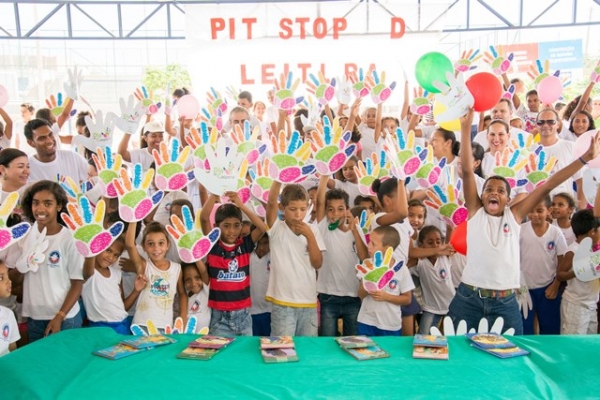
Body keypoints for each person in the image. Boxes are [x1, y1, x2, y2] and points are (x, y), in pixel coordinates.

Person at [449, 108, 599, 335]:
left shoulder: (515, 215)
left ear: (509, 199)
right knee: (460, 354)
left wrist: (583, 159)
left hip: (505, 302)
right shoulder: (476, 213)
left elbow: (548, 184)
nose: (494, 192)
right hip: (469, 298)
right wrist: (465, 126)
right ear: (481, 196)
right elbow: (468, 172)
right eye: (489, 189)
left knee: (512, 358)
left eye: (501, 190)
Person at [16, 181, 84, 342]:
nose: (40, 209)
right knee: (41, 365)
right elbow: (16, 278)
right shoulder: (26, 235)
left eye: (48, 204)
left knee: (67, 364)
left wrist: (60, 317)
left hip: (65, 318)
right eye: (35, 203)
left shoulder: (69, 238)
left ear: (59, 206)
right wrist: (24, 263)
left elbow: (77, 282)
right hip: (35, 317)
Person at [199, 191, 268, 336]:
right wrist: (213, 192)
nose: (232, 231)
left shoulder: (244, 245)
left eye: (237, 225)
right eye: (226, 226)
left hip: (244, 316)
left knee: (243, 358)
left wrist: (241, 205)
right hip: (219, 318)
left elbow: (262, 228)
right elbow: (204, 218)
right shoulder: (213, 245)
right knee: (221, 357)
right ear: (216, 226)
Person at [265, 182, 326, 336]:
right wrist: (279, 177)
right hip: (283, 303)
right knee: (282, 351)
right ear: (282, 208)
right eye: (292, 209)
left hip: (309, 303)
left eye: (303, 209)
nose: (298, 214)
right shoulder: (276, 228)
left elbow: (317, 263)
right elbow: (271, 202)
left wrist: (309, 236)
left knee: (307, 351)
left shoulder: (312, 229)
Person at [316, 175, 368, 336]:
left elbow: (364, 257)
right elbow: (319, 201)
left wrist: (354, 230)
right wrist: (325, 173)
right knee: (327, 342)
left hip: (352, 296)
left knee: (352, 340)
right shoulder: (323, 226)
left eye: (340, 209)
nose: (335, 214)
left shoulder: (355, 229)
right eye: (330, 209)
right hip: (328, 296)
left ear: (347, 210)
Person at [125, 221, 187, 330]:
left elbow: (182, 294)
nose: (156, 248)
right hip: (142, 325)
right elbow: (130, 244)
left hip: (165, 327)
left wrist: (182, 318)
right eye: (150, 244)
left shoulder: (177, 269)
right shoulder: (144, 266)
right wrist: (134, 218)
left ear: (168, 245)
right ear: (144, 246)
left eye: (161, 243)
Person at [519, 196, 567, 335]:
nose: (535, 215)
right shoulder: (521, 230)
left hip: (548, 288)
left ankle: (550, 356)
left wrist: (556, 284)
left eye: (539, 211)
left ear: (549, 211)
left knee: (550, 327)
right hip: (524, 289)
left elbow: (562, 260)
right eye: (531, 211)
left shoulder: (555, 232)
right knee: (524, 328)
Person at [82, 236, 146, 334]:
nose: (111, 257)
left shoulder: (117, 274)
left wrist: (136, 290)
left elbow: (123, 307)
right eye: (108, 251)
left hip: (123, 325)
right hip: (100, 328)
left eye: (116, 255)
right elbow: (89, 261)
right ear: (98, 247)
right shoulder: (89, 272)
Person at [357, 225, 414, 336]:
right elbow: (360, 294)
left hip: (390, 325)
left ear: (388, 249)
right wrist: (369, 281)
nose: (368, 246)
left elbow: (407, 299)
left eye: (373, 244)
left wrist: (386, 297)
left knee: (390, 352)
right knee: (365, 352)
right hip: (366, 321)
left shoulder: (401, 268)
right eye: (369, 242)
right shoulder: (367, 265)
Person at [557, 209, 600, 334]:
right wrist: (577, 272)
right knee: (572, 343)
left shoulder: (594, 250)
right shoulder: (573, 251)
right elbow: (560, 275)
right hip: (575, 305)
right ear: (592, 231)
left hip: (591, 304)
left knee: (588, 343)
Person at [535, 108, 586, 209]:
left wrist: (581, 210)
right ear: (536, 125)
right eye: (541, 122)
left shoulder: (571, 147)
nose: (545, 125)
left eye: (551, 122)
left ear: (558, 124)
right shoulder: (528, 150)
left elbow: (581, 181)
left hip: (565, 212)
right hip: (537, 212)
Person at [408, 226, 454, 335]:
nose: (435, 246)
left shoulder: (445, 256)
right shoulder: (420, 261)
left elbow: (450, 235)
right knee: (423, 337)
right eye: (430, 242)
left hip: (452, 306)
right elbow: (410, 257)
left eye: (438, 242)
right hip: (431, 308)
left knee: (453, 337)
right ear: (420, 244)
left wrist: (449, 228)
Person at [24, 119, 87, 184]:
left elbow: (93, 178)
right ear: (31, 143)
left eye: (50, 135)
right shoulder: (26, 168)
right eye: (42, 138)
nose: (49, 141)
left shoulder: (72, 157)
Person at [249, 232, 271, 336]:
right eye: (259, 243)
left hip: (271, 311)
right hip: (252, 312)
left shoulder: (274, 256)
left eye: (266, 243)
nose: (261, 247)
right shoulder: (249, 256)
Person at [0, 148, 30, 217]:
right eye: (20, 166)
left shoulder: (33, 189)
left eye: (28, 166)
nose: (26, 171)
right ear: (3, 169)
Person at [181, 262, 211, 331]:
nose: (193, 283)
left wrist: (194, 255)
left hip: (203, 339)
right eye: (188, 280)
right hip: (187, 339)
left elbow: (203, 272)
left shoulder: (205, 292)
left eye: (197, 278)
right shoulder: (184, 298)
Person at [0, 261, 19, 356]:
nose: (9, 281)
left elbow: (12, 350)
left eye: (7, 275)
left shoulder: (8, 314)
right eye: (1, 278)